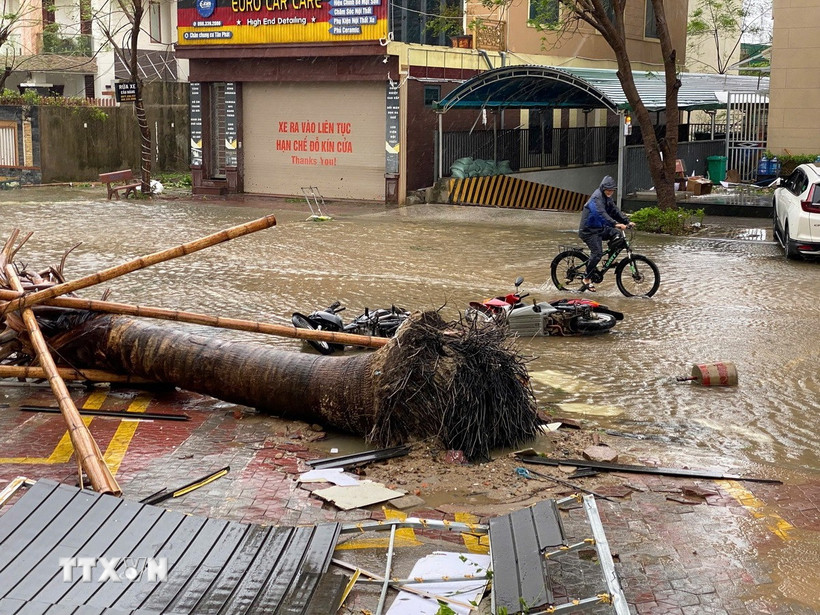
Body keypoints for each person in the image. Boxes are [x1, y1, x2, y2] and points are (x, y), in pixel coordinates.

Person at [577, 175, 634, 292]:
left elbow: (615, 211)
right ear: (603, 188)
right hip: (589, 231)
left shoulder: (607, 198)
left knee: (617, 235)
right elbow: (601, 214)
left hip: (600, 228)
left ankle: (610, 260)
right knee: (597, 253)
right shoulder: (597, 198)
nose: (610, 192)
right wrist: (615, 224)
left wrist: (627, 221)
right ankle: (586, 278)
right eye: (608, 189)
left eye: (612, 190)